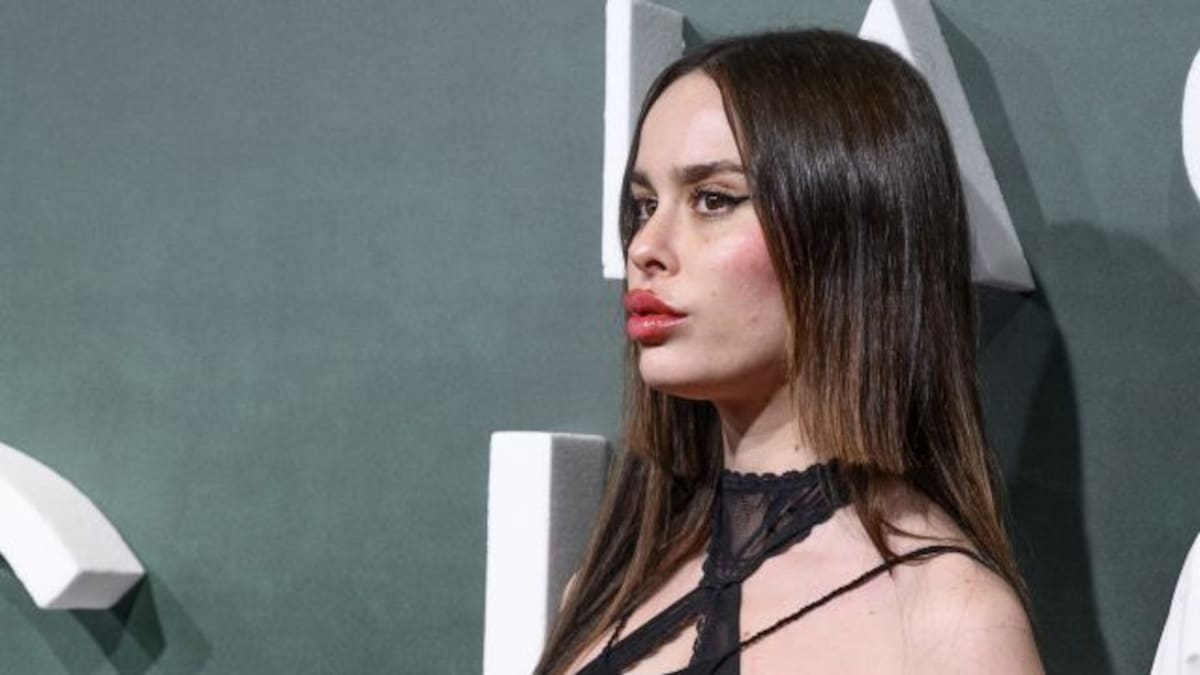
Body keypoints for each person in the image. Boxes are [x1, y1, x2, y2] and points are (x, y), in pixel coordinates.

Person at [537, 29, 1044, 674]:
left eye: (714, 200)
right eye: (644, 205)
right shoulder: (602, 587)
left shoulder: (951, 623)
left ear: (849, 238)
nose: (645, 247)